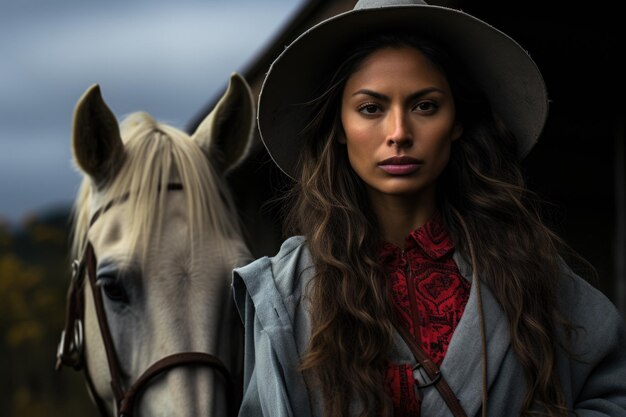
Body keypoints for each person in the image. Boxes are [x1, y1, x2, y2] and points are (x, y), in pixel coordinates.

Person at [232, 0, 626, 416]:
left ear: (456, 121)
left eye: (425, 106)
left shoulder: (528, 271)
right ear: (340, 127)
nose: (399, 133)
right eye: (371, 108)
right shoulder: (287, 290)